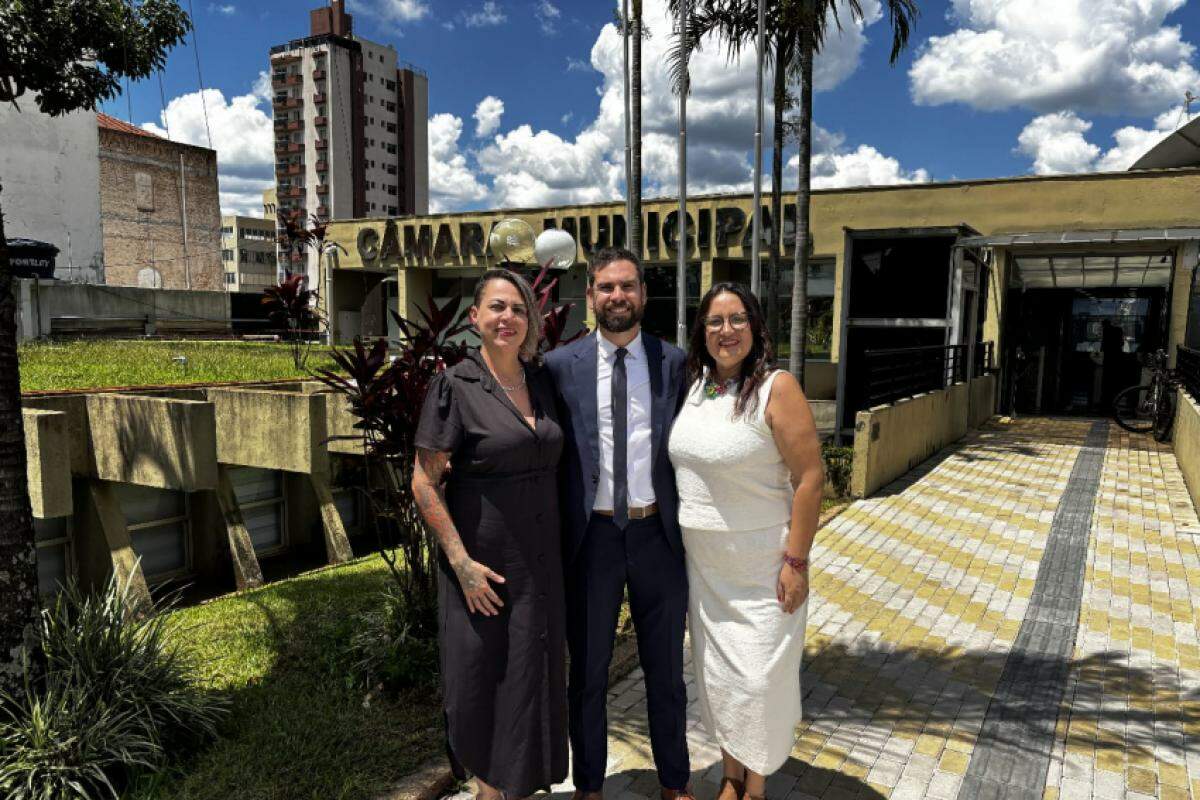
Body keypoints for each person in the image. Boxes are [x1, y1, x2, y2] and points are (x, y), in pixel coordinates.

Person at [412, 269, 567, 800]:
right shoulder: (455, 385)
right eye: (497, 307)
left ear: (531, 321)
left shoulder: (541, 381)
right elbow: (424, 483)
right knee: (482, 683)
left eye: (519, 309)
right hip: (485, 570)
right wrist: (461, 564)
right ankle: (488, 792)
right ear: (474, 317)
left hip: (539, 569)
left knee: (528, 681)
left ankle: (515, 789)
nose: (508, 318)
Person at [544, 248, 693, 800]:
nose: (617, 297)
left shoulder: (674, 363)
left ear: (643, 295)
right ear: (590, 297)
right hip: (593, 539)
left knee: (666, 674)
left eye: (627, 286)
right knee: (586, 675)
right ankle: (588, 786)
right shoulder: (562, 366)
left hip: (658, 536)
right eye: (606, 287)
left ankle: (675, 782)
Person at [667, 282, 824, 800]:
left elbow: (810, 479)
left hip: (763, 569)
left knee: (758, 682)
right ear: (702, 331)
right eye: (715, 321)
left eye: (737, 319)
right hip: (707, 572)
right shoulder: (697, 386)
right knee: (722, 681)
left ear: (755, 327)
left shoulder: (777, 388)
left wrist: (796, 562)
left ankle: (754, 786)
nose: (726, 330)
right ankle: (732, 775)